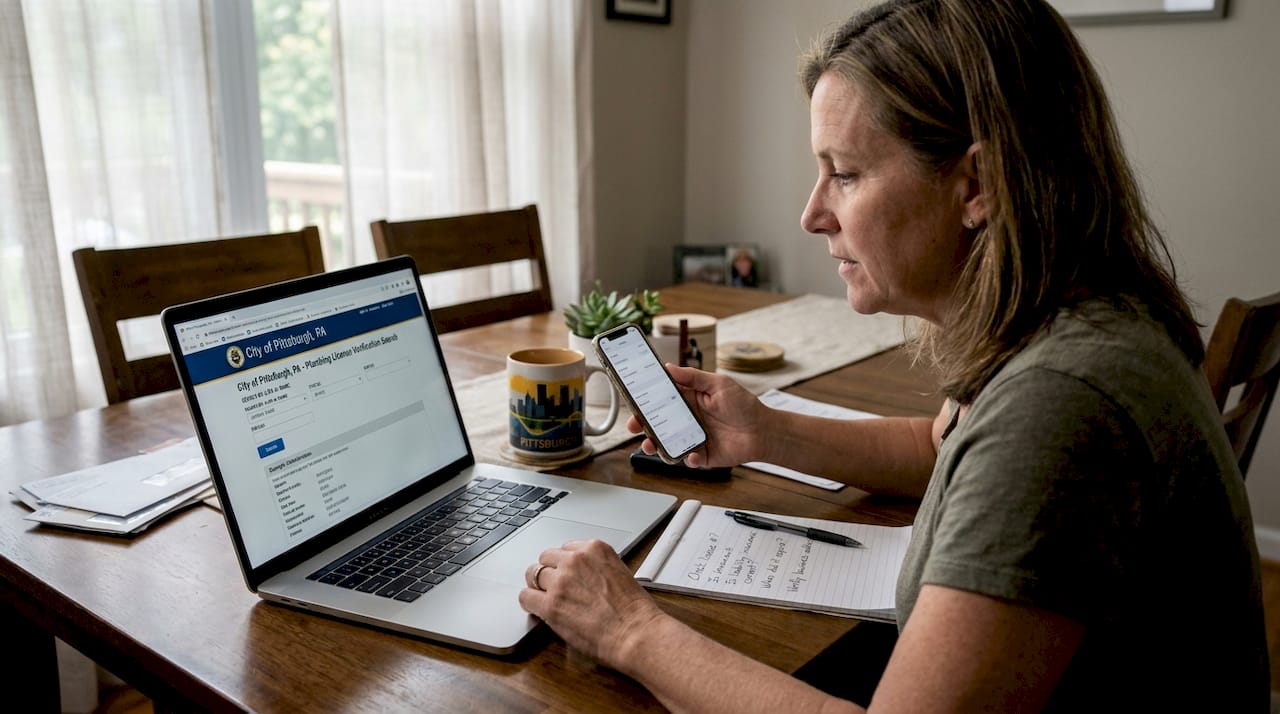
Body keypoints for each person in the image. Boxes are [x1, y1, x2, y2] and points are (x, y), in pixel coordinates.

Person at [518, 0, 1269, 710]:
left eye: (843, 173)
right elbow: (942, 448)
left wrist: (629, 629)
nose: (811, 214)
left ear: (977, 184)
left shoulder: (1063, 401)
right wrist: (765, 432)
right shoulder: (1079, 313)